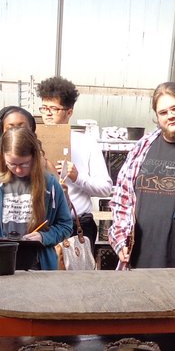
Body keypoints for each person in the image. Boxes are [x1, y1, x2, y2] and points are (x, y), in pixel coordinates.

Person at [109, 82, 175, 269]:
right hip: (139, 262)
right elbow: (122, 199)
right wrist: (121, 238)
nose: (170, 116)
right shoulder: (142, 147)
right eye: (163, 112)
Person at [36, 76, 112, 248]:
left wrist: (77, 177)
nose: (47, 113)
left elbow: (105, 188)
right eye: (44, 107)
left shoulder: (86, 143)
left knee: (77, 273)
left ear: (69, 112)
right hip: (40, 226)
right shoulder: (32, 140)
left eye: (54, 108)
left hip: (77, 225)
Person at [0, 127, 74, 271]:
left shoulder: (49, 183)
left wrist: (44, 237)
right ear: (3, 158)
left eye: (24, 164)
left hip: (39, 264)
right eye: (12, 164)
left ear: (34, 158)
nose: (18, 170)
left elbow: (66, 225)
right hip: (3, 262)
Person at [0, 105, 38, 178]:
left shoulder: (44, 164)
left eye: (21, 127)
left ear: (31, 128)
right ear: (2, 131)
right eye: (10, 128)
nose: (15, 131)